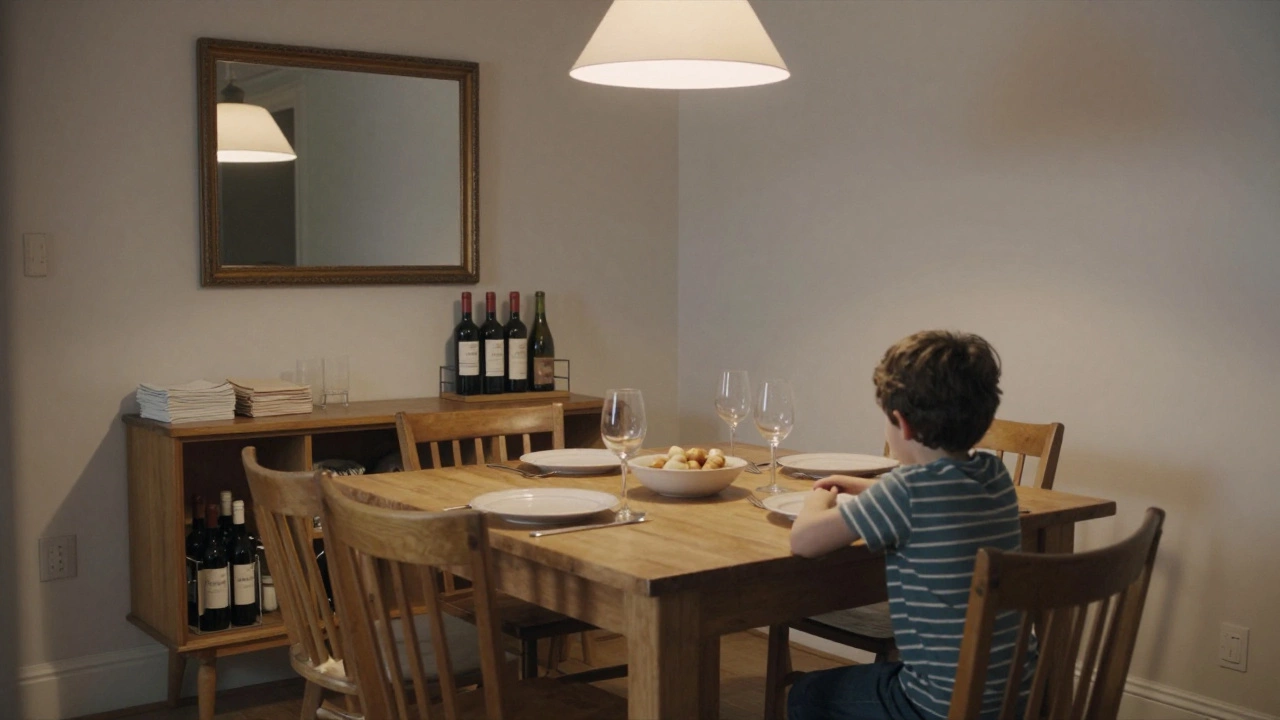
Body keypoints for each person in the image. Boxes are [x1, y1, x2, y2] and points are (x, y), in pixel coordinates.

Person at [787, 330, 1033, 720]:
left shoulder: (907, 492)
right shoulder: (993, 474)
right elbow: (934, 495)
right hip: (1016, 697)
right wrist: (867, 485)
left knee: (807, 694)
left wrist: (819, 496)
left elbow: (804, 541)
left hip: (936, 708)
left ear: (901, 424)